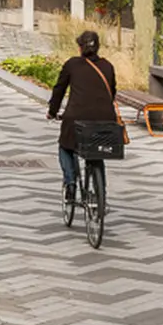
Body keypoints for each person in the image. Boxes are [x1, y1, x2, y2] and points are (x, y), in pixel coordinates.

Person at [46, 30, 118, 205]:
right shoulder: (107, 66)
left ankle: (70, 184)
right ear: (98, 47)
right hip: (105, 119)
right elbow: (112, 92)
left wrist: (52, 112)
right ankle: (102, 197)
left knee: (65, 147)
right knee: (97, 153)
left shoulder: (72, 65)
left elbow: (59, 90)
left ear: (79, 47)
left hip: (75, 118)